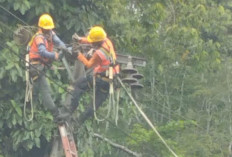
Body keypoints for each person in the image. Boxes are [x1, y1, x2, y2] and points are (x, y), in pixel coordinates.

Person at [65, 26, 119, 124]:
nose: (92, 43)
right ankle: (78, 122)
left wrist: (79, 55)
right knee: (93, 106)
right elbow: (93, 41)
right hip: (110, 80)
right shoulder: (107, 41)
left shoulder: (99, 53)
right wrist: (80, 40)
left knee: (78, 85)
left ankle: (70, 110)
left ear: (97, 42)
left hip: (100, 79)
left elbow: (89, 65)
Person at [28, 13, 67, 121]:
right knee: (45, 90)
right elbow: (43, 52)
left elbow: (59, 42)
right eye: (46, 29)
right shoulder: (39, 38)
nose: (48, 31)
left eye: (49, 29)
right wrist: (55, 56)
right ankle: (56, 114)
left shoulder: (50, 34)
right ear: (41, 28)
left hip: (42, 65)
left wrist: (65, 48)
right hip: (36, 67)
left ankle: (55, 111)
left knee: (46, 90)